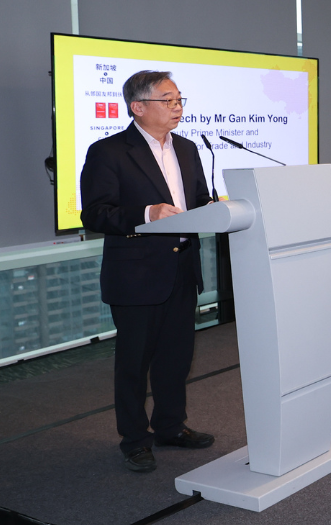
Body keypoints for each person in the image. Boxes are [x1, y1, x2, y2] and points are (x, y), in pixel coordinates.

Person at [80, 71, 215, 473]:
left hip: (182, 268)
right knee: (135, 363)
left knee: (176, 358)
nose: (178, 107)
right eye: (168, 100)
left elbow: (197, 200)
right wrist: (146, 214)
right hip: (137, 273)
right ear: (138, 107)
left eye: (179, 100)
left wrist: (215, 207)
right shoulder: (109, 151)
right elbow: (95, 214)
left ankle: (171, 426)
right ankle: (135, 440)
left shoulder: (189, 149)